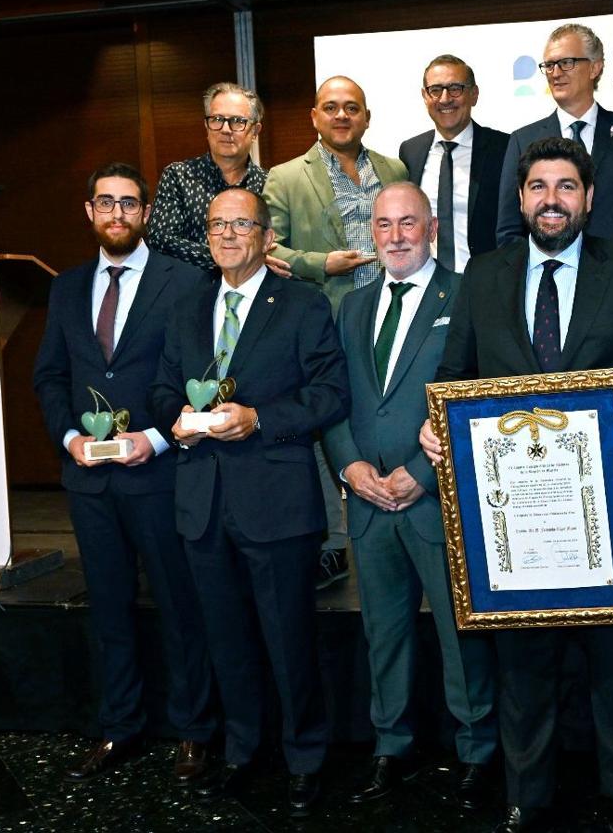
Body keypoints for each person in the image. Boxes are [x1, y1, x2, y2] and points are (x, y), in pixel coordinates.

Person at [420, 137, 613, 833]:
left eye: (566, 186)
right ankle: (525, 795)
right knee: (524, 659)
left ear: (589, 198)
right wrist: (435, 427)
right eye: (538, 186)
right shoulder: (484, 274)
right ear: (520, 198)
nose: (551, 199)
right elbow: (454, 378)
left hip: (612, 506)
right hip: (516, 513)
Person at [149, 188, 350, 817]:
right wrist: (175, 417)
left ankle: (305, 759)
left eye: (243, 224)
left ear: (267, 236)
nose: (228, 234)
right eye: (217, 224)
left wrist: (259, 417)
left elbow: (329, 394)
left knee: (289, 639)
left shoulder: (301, 303)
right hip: (202, 503)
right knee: (225, 638)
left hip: (276, 501)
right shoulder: (187, 306)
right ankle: (241, 752)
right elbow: (160, 389)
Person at [33, 162, 214, 785]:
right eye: (106, 203)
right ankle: (120, 726)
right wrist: (69, 437)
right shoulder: (66, 287)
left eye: (129, 204)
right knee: (108, 607)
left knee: (178, 603)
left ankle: (193, 730)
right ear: (89, 211)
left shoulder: (187, 282)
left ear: (144, 213)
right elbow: (50, 376)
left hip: (159, 473)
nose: (117, 214)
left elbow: (204, 372)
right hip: (90, 481)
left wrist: (159, 439)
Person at [322, 182, 497, 809]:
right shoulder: (352, 305)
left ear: (433, 230)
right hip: (368, 503)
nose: (396, 236)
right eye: (384, 225)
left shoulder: (467, 295)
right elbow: (334, 397)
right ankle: (389, 745)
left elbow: (477, 391)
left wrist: (420, 475)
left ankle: (477, 750)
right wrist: (349, 468)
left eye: (408, 224)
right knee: (384, 635)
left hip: (437, 498)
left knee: (460, 633)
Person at [263, 75, 407, 587]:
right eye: (331, 107)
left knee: (387, 416)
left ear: (366, 116)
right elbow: (269, 247)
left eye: (352, 107)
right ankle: (333, 543)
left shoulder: (392, 168)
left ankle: (398, 516)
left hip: (392, 318)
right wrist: (323, 262)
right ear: (314, 116)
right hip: (325, 322)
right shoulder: (284, 176)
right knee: (326, 430)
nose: (342, 115)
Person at [495, 23, 613, 251]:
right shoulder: (523, 140)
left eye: (566, 63)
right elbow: (509, 230)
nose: (555, 73)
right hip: (547, 279)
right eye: (549, 65)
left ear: (595, 68)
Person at [398, 54, 510, 272]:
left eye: (455, 88)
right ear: (425, 95)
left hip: (486, 280)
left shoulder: (504, 148)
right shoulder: (410, 151)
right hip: (427, 281)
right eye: (436, 90)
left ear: (474, 94)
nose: (445, 98)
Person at [148, 82, 267, 272]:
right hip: (189, 293)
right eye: (217, 119)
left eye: (237, 121)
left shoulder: (269, 183)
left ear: (255, 131)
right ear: (206, 126)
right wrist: (229, 258)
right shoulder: (178, 176)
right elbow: (161, 240)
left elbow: (274, 245)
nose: (226, 129)